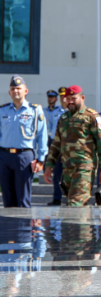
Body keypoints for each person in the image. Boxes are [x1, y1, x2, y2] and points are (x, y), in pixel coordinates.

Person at [43, 85, 101, 206]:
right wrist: (49, 166)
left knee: (76, 204)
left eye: (74, 98)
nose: (70, 102)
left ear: (82, 98)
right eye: (68, 99)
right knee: (74, 205)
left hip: (84, 168)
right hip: (67, 169)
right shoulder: (63, 118)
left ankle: (79, 224)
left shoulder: (92, 116)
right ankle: (83, 225)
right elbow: (56, 144)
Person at [0, 76, 48, 207]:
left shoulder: (35, 110)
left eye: (18, 88)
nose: (16, 91)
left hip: (24, 156)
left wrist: (41, 159)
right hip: (4, 156)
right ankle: (8, 227)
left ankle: (24, 227)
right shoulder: (2, 110)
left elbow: (41, 136)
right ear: (9, 92)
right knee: (7, 199)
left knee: (23, 199)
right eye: (13, 89)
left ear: (25, 91)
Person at [44, 89, 66, 206]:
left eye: (64, 96)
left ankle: (70, 198)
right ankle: (57, 198)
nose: (63, 98)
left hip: (68, 146)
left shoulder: (71, 111)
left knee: (68, 174)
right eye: (61, 96)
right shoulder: (54, 111)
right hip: (56, 144)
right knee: (57, 173)